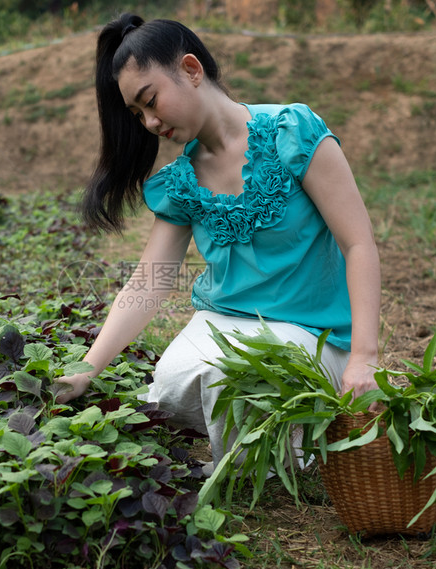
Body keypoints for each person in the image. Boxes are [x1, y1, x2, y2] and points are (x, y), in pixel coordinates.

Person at [55, 13, 382, 469]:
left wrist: (364, 357)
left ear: (191, 70)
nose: (149, 122)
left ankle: (272, 449)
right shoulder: (181, 181)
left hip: (311, 331)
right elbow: (148, 283)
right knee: (172, 381)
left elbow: (358, 245)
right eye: (137, 114)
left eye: (150, 101)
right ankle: (255, 447)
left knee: (243, 380)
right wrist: (86, 369)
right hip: (225, 324)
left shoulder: (293, 132)